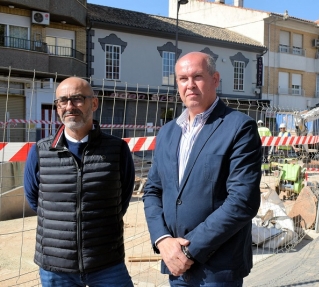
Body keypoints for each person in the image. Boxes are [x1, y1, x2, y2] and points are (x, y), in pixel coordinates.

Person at [143, 51, 262, 286]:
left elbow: (242, 201)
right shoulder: (167, 132)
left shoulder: (239, 128)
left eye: (197, 76)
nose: (190, 85)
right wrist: (163, 239)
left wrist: (188, 251)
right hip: (176, 266)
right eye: (182, 79)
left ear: (215, 79)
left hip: (217, 269)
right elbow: (153, 191)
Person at [24, 77, 135, 287]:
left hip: (106, 263)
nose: (69, 106)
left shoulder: (117, 150)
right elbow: (34, 199)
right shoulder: (40, 151)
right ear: (57, 107)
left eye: (77, 99)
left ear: (94, 103)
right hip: (56, 267)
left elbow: (123, 198)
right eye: (62, 101)